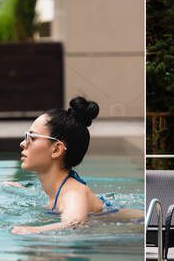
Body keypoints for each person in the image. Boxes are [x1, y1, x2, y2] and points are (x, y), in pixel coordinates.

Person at [9, 97, 129, 234]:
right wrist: (22, 190)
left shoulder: (74, 193)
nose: (23, 143)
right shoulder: (58, 190)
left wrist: (32, 230)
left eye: (32, 137)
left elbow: (75, 223)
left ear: (56, 150)